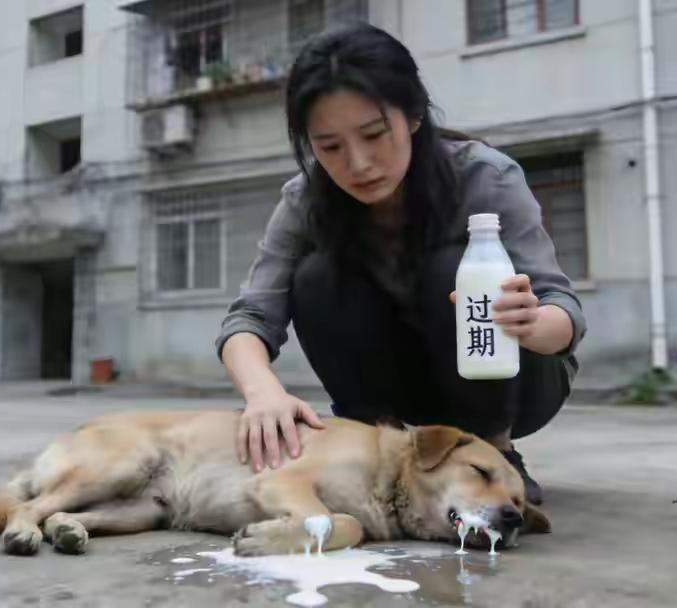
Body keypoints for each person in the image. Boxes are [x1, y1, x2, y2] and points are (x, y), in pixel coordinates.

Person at [215, 23, 586, 505]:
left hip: (515, 385)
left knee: (456, 271)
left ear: (413, 115)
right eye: (329, 147)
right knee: (317, 277)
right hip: (398, 385)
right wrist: (263, 393)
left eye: (374, 134)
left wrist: (531, 321)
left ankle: (492, 451)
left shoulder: (484, 177)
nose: (359, 163)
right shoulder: (306, 201)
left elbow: (564, 309)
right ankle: (375, 445)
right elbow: (250, 317)